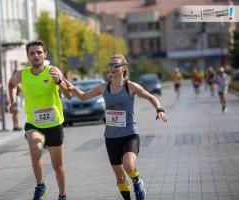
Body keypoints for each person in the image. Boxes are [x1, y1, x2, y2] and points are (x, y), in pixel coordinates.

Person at [66, 54, 168, 200]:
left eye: (116, 65)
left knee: (128, 166)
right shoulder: (103, 87)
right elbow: (83, 96)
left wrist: (159, 109)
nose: (112, 68)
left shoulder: (130, 86)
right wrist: (73, 88)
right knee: (120, 177)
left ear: (124, 68)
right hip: (111, 137)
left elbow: (151, 97)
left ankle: (137, 182)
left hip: (129, 135)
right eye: (110, 65)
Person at [8, 40, 72, 200]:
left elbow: (69, 95)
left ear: (45, 54)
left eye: (39, 52)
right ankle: (40, 185)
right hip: (34, 124)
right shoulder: (22, 74)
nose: (36, 55)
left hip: (54, 125)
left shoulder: (53, 71)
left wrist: (59, 82)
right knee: (36, 148)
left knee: (58, 167)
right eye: (32, 53)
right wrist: (13, 101)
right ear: (28, 56)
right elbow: (11, 84)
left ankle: (62, 195)